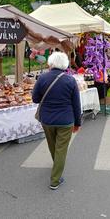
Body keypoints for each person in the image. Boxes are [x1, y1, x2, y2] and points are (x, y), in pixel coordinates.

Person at [32, 51, 81, 190]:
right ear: (64, 64)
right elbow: (76, 104)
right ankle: (55, 179)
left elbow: (35, 99)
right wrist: (78, 123)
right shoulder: (70, 80)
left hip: (47, 119)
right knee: (61, 149)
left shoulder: (42, 78)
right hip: (66, 120)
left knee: (53, 146)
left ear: (51, 63)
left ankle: (56, 167)